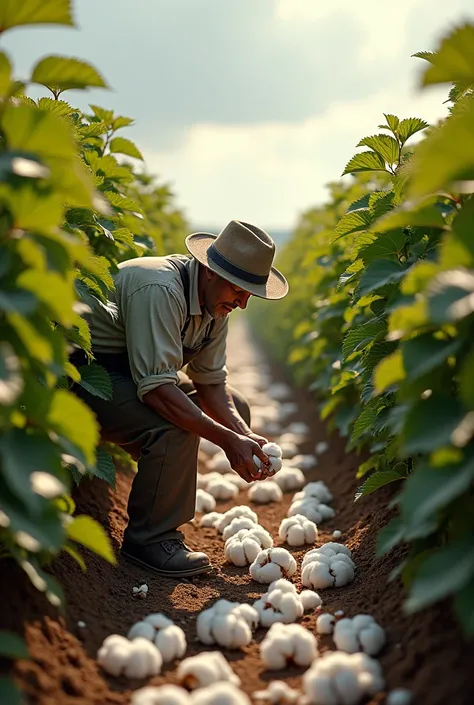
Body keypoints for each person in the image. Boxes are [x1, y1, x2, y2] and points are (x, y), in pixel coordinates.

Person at [72, 220, 289, 578]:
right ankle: (150, 540)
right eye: (240, 289)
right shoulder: (159, 288)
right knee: (173, 428)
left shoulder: (215, 304)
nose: (243, 303)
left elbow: (211, 383)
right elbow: (158, 390)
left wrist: (241, 433)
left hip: (129, 377)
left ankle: (165, 487)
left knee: (239, 409)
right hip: (87, 377)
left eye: (251, 293)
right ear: (209, 271)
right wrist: (225, 440)